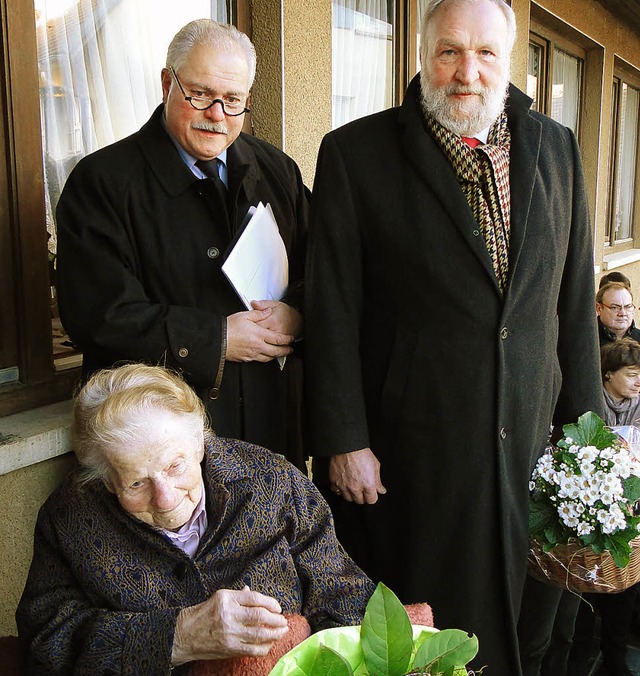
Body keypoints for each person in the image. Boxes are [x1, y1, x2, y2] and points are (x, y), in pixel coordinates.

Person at [304, 0, 603, 672]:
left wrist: (590, 439)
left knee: (536, 624)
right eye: (449, 52)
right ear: (422, 54)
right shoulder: (356, 155)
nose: (466, 71)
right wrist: (343, 440)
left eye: (485, 53)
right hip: (415, 452)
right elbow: (332, 313)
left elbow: (573, 305)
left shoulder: (556, 148)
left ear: (510, 58)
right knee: (432, 636)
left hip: (533, 443)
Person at [56, 20, 308, 467]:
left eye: (233, 100)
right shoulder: (102, 183)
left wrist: (298, 313)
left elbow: (327, 270)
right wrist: (216, 339)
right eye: (200, 94)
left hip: (271, 428)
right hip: (158, 445)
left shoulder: (277, 170)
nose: (217, 114)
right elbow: (96, 315)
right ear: (167, 83)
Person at [16, 363, 374, 674]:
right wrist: (176, 637)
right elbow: (45, 646)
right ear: (108, 480)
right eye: (137, 482)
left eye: (176, 466)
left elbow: (346, 599)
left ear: (200, 445)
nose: (166, 498)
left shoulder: (272, 482)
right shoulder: (70, 519)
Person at [568, 338, 640, 676]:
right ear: (608, 375)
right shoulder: (589, 403)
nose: (638, 382)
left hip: (632, 511)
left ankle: (615, 657)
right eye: (632, 374)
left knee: (626, 589)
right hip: (593, 511)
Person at [597, 281, 640, 346]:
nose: (623, 313)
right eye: (615, 307)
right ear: (599, 308)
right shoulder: (586, 339)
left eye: (627, 307)